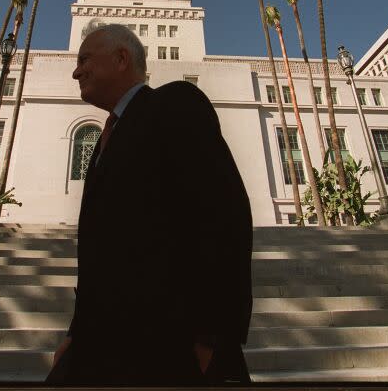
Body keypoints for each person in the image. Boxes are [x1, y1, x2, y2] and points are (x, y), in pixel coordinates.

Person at [46, 21, 253, 385]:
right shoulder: (104, 138)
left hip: (166, 348)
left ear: (121, 58)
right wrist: (75, 333)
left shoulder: (174, 103)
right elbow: (100, 250)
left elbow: (224, 217)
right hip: (99, 346)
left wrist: (211, 338)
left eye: (85, 59)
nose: (76, 70)